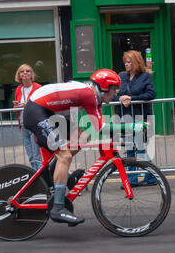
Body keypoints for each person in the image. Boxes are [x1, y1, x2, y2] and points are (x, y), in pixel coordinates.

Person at [24, 69, 134, 225]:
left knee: (84, 135)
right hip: (37, 111)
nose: (116, 94)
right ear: (104, 87)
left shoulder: (93, 94)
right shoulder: (89, 95)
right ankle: (58, 208)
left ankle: (59, 175)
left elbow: (96, 127)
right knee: (65, 156)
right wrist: (133, 127)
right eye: (114, 89)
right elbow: (102, 127)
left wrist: (120, 134)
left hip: (49, 111)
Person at [114, 50, 156, 187]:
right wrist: (119, 98)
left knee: (139, 148)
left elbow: (151, 94)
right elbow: (112, 94)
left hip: (139, 117)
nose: (126, 64)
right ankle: (136, 179)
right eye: (125, 62)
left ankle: (148, 177)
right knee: (130, 147)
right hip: (124, 117)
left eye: (129, 62)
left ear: (136, 62)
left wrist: (132, 99)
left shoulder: (145, 76)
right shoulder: (121, 76)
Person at [13, 64, 42, 172]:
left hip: (35, 124)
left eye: (28, 71)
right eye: (22, 71)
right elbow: (16, 108)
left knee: (36, 155)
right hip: (24, 124)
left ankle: (42, 179)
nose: (25, 73)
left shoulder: (37, 87)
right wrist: (17, 105)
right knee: (30, 156)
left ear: (31, 74)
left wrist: (26, 105)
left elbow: (41, 104)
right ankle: (35, 177)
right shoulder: (18, 89)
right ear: (19, 75)